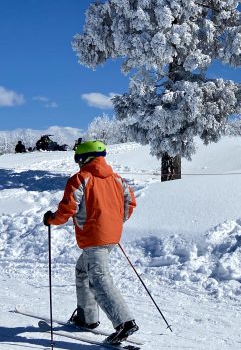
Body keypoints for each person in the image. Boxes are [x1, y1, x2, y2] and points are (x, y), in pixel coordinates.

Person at [43, 140, 139, 345]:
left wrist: (51, 219)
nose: (78, 164)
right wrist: (114, 223)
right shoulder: (117, 179)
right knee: (83, 271)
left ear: (83, 158)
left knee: (99, 278)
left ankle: (125, 322)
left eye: (78, 159)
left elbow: (67, 209)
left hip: (93, 238)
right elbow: (130, 203)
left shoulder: (80, 178)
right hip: (111, 237)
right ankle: (87, 318)